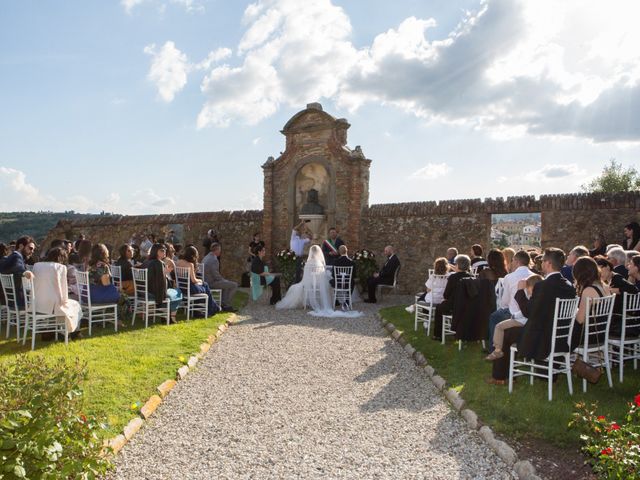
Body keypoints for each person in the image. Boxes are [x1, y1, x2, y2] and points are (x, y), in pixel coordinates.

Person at [488, 248, 576, 385]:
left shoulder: (543, 286)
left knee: (505, 331)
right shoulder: (569, 286)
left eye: (543, 262)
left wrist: (520, 291)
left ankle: (499, 377)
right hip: (561, 336)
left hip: (541, 337)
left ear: (548, 264)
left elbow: (528, 312)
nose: (541, 264)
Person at [276, 245, 362, 317]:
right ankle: (343, 301)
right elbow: (354, 276)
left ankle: (332, 301)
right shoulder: (351, 262)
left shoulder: (309, 264)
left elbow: (305, 277)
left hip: (310, 284)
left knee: (331, 282)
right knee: (330, 283)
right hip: (346, 284)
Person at [485, 274, 543, 361]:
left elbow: (526, 312)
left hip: (524, 322)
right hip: (527, 321)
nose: (526, 290)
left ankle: (497, 350)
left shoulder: (534, 297)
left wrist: (514, 315)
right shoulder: (541, 297)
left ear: (532, 287)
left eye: (527, 288)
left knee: (499, 326)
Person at [486, 250, 533, 350]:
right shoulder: (535, 276)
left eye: (512, 261)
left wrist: (503, 307)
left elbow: (505, 301)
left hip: (514, 313)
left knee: (493, 317)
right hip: (531, 314)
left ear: (516, 261)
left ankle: (493, 348)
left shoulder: (509, 277)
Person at [30, 247, 83, 335]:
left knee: (67, 306)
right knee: (75, 305)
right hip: (52, 305)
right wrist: (64, 303)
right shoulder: (61, 267)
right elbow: (64, 290)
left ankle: (51, 332)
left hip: (37, 303)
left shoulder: (37, 265)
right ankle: (72, 332)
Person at [431, 254, 473, 340]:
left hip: (453, 306)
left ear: (457, 265)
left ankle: (438, 335)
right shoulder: (471, 277)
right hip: (467, 306)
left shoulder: (453, 277)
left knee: (439, 308)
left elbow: (446, 295)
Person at [177, 246, 220, 316]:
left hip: (182, 287)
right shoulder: (190, 264)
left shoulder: (178, 262)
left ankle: (203, 310)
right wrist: (199, 280)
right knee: (205, 285)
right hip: (190, 288)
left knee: (204, 286)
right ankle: (212, 308)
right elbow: (193, 280)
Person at [146, 243, 182, 322]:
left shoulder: (147, 262)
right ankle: (171, 316)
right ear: (155, 251)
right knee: (178, 292)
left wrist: (164, 273)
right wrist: (165, 273)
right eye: (162, 250)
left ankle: (165, 314)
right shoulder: (159, 263)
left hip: (146, 291)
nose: (164, 251)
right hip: (156, 293)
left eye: (165, 250)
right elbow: (161, 284)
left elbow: (154, 278)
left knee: (173, 293)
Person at [0, 236, 36, 307]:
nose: (32, 251)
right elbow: (18, 267)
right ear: (21, 246)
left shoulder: (11, 257)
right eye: (30, 248)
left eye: (33, 250)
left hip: (8, 299)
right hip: (19, 300)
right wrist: (25, 272)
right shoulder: (16, 256)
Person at [202, 243, 238, 312]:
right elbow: (216, 275)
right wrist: (224, 280)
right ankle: (226, 305)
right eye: (220, 250)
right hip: (211, 282)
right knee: (234, 285)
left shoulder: (206, 257)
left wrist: (223, 281)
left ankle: (223, 304)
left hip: (205, 281)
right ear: (217, 250)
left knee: (226, 285)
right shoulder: (214, 259)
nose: (220, 252)